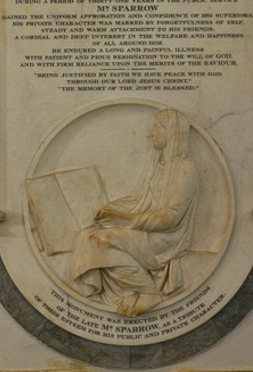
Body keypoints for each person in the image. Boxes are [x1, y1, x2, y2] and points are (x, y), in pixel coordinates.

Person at [69, 109, 202, 317]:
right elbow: (139, 200)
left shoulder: (185, 169)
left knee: (101, 239)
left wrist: (125, 220)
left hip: (166, 237)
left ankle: (149, 292)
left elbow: (171, 217)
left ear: (171, 132)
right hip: (146, 229)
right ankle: (129, 289)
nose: (151, 133)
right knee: (87, 234)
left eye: (157, 128)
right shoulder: (160, 166)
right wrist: (112, 209)